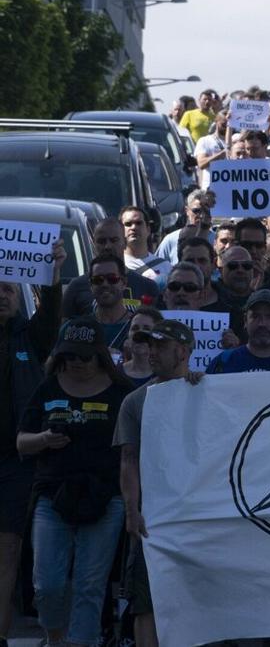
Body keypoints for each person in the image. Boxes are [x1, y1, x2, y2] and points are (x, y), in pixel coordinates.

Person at [16, 318, 133, 647]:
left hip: (105, 497)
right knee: (47, 583)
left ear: (100, 356)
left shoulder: (122, 391)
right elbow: (22, 442)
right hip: (53, 496)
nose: (78, 363)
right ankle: (54, 638)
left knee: (90, 583)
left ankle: (83, 642)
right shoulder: (48, 386)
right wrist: (44, 439)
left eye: (85, 356)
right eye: (71, 356)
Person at [114, 319, 200, 647]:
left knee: (195, 599)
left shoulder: (206, 392)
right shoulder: (135, 402)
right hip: (155, 516)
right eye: (151, 345)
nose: (152, 352)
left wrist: (203, 389)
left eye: (161, 346)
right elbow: (128, 459)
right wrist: (131, 511)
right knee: (145, 601)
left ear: (182, 351)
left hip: (195, 515)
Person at [0, 242, 63, 644]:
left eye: (7, 288)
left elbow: (51, 315)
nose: (0, 295)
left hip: (15, 463)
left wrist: (53, 274)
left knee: (7, 553)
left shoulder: (30, 336)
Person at [62, 219, 158, 318]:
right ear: (94, 245)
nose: (107, 246)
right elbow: (63, 328)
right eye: (101, 241)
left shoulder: (147, 287)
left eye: (114, 240)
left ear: (125, 243)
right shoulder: (76, 287)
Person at [121, 207, 172, 282]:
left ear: (148, 230)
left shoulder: (165, 267)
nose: (134, 227)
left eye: (139, 223)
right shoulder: (116, 265)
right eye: (128, 224)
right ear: (120, 230)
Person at [121, 307, 163, 387]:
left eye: (147, 328)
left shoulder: (167, 375)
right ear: (128, 334)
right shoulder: (115, 374)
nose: (140, 332)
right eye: (135, 328)